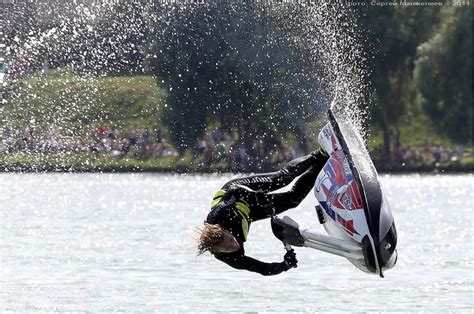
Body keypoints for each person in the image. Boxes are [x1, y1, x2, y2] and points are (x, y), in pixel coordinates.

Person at [197, 148, 328, 276]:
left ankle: (320, 153)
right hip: (248, 212)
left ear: (224, 230)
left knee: (281, 179)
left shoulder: (218, 216)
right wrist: (285, 265)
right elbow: (263, 269)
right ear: (218, 251)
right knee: (292, 200)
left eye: (230, 239)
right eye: (227, 248)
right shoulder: (232, 258)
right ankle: (323, 162)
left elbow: (234, 190)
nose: (233, 244)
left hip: (238, 194)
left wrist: (255, 195)